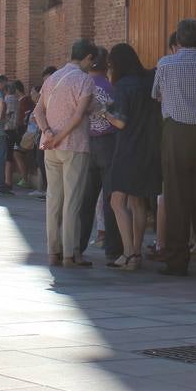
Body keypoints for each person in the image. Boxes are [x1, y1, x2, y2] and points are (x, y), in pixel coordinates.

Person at [152, 18, 196, 277]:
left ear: (177, 40)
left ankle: (176, 260)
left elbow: (156, 94)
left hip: (175, 132)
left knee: (175, 196)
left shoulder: (166, 63)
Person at [35, 40, 99, 267]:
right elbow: (78, 116)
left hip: (49, 147)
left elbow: (38, 111)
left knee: (53, 200)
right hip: (74, 146)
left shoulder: (52, 78)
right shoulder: (84, 81)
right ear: (88, 58)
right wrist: (60, 137)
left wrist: (48, 133)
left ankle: (53, 252)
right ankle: (71, 254)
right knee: (72, 201)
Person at [103, 43, 160, 270]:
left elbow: (120, 121)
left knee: (117, 200)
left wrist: (103, 111)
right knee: (138, 201)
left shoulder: (124, 85)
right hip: (149, 147)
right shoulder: (148, 81)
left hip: (128, 148)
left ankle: (127, 253)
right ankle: (136, 252)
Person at [79, 48, 119, 260]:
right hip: (109, 142)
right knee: (111, 199)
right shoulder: (111, 87)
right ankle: (113, 250)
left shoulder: (82, 85)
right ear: (107, 66)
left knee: (86, 199)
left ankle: (77, 246)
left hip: (86, 143)